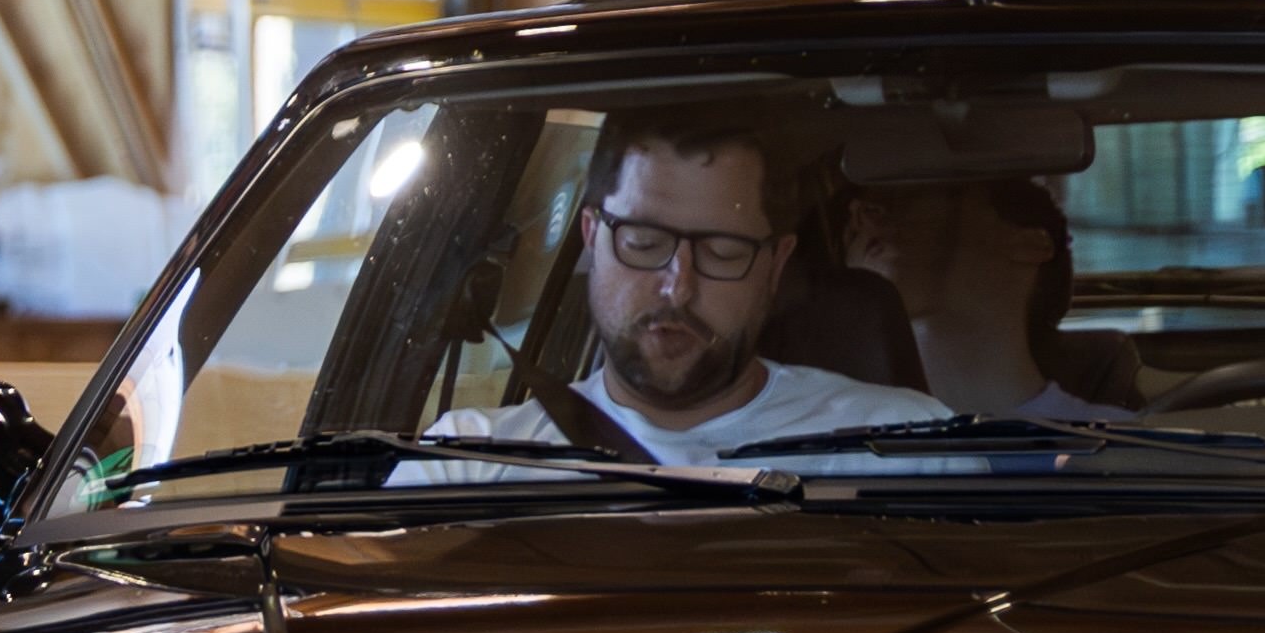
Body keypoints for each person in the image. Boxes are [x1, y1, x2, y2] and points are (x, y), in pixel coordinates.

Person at [416, 115, 933, 466]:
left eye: (723, 251)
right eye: (643, 243)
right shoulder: (469, 462)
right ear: (592, 237)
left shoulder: (907, 449)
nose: (678, 287)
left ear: (776, 264)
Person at [830, 174, 1136, 422]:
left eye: (912, 196)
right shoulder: (827, 436)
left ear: (1030, 244)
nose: (863, 219)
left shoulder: (1117, 443)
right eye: (865, 208)